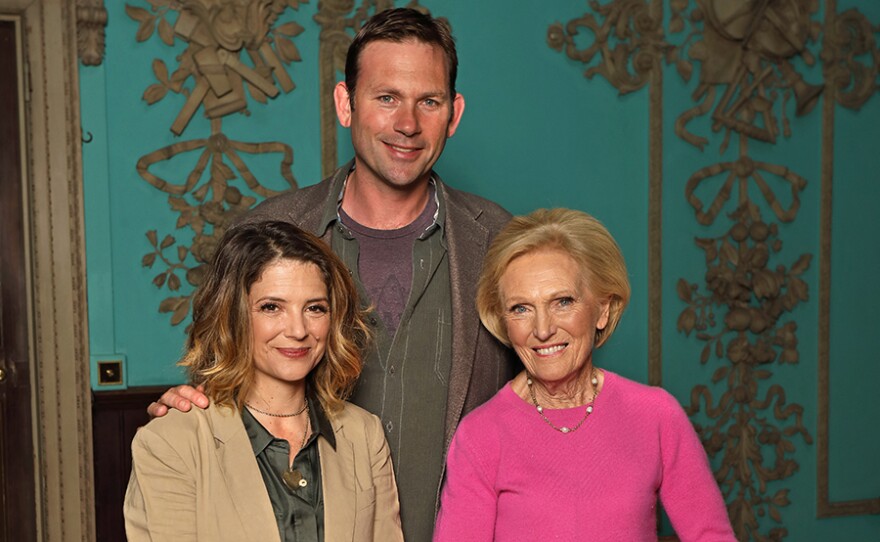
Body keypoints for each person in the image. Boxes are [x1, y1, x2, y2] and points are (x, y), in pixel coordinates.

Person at [146, 8, 519, 540]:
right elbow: (217, 382)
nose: (407, 123)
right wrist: (186, 402)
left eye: (428, 101)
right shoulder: (266, 232)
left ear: (453, 113)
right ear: (346, 104)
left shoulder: (501, 242)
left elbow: (543, 395)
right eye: (386, 97)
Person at [433, 208, 736, 541]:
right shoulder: (481, 435)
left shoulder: (656, 416)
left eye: (562, 301)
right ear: (504, 321)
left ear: (602, 310)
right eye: (521, 308)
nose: (543, 329)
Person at [124, 221, 403, 541]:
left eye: (315, 308)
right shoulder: (171, 442)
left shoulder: (364, 434)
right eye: (272, 307)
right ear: (232, 315)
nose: (298, 330)